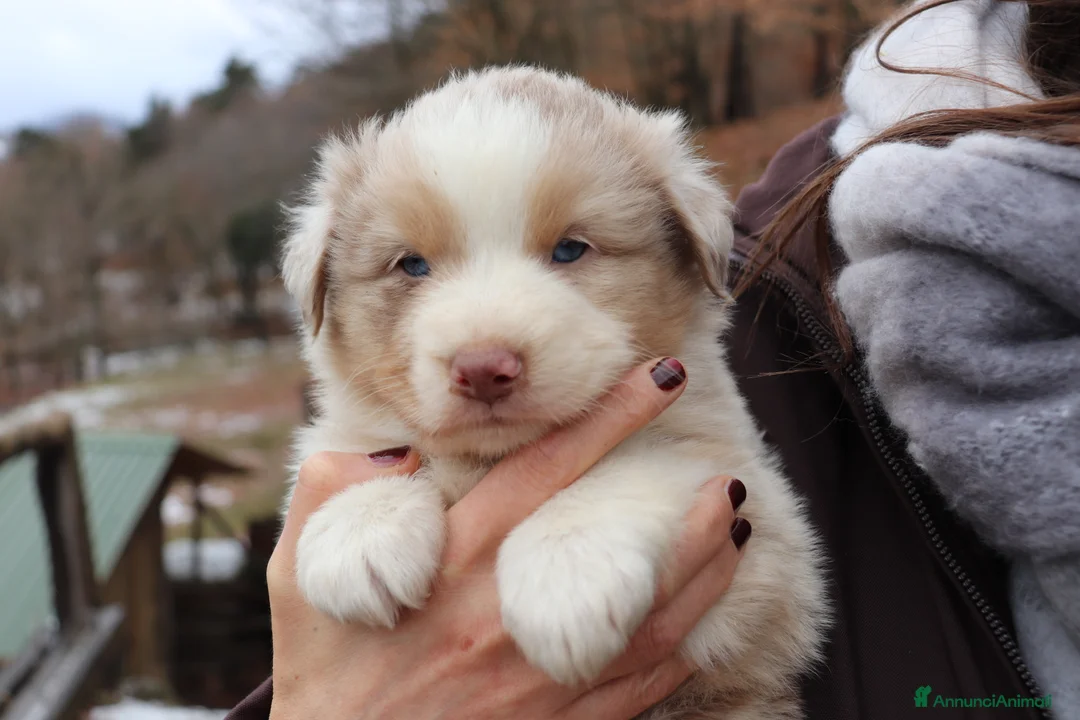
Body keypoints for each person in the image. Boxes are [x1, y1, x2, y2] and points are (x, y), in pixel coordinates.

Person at [226, 0, 1079, 718]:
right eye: (410, 265)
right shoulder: (802, 266)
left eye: (569, 250)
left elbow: (774, 606)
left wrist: (604, 519)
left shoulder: (741, 359)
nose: (484, 351)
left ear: (689, 250)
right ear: (323, 287)